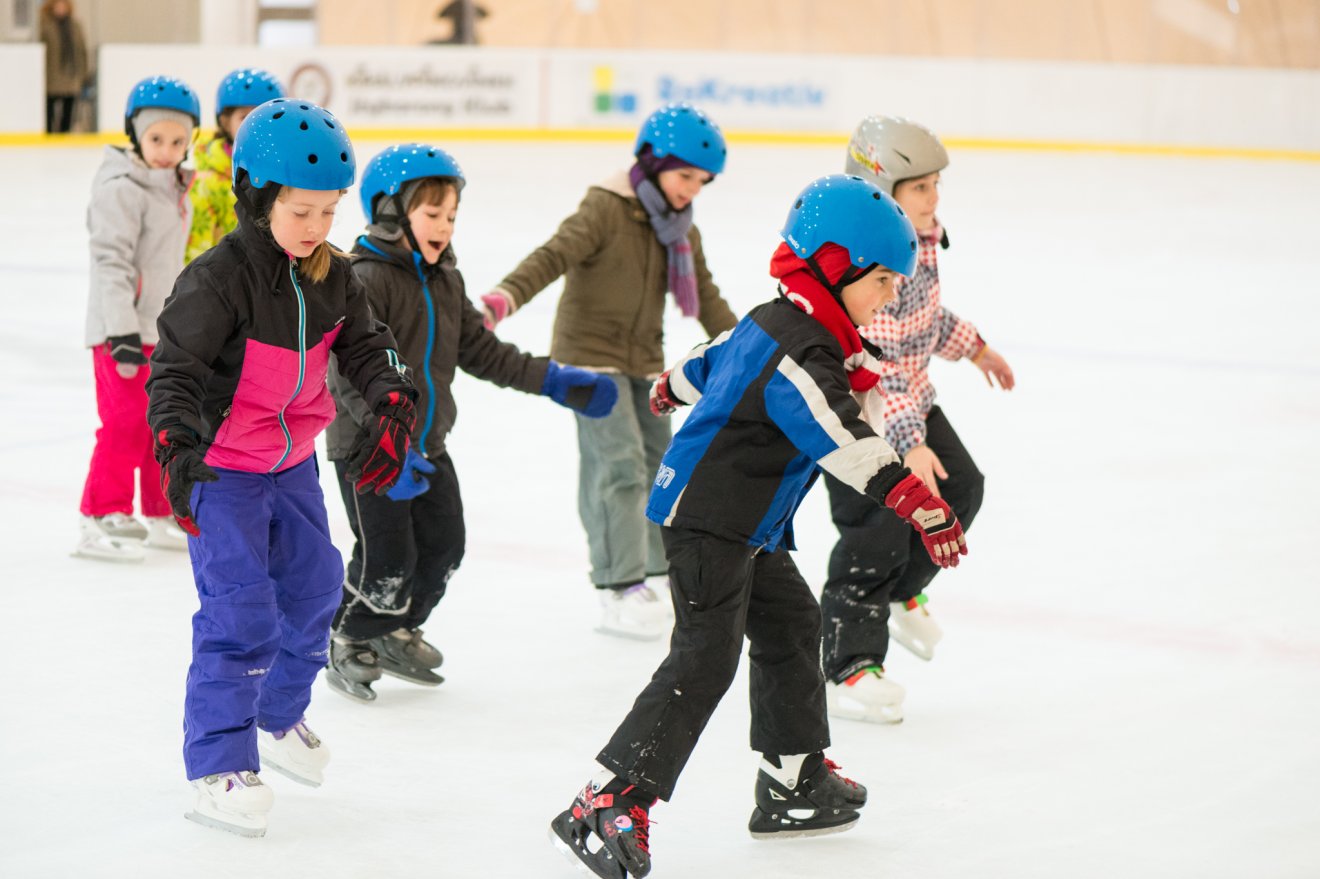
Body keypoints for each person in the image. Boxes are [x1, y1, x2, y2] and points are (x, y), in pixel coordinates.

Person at [550, 174, 967, 879]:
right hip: (709, 521)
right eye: (882, 281)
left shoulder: (781, 323)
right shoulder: (802, 353)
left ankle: (792, 778)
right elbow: (839, 435)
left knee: (792, 624)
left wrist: (673, 384)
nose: (891, 295)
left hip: (746, 526)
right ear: (834, 267)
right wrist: (913, 499)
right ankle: (609, 798)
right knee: (704, 659)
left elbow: (715, 355)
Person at [145, 99, 416, 838]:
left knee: (318, 586)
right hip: (222, 470)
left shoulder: (333, 275)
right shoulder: (217, 280)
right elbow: (175, 369)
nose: (317, 226)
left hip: (292, 463)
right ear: (258, 197)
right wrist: (174, 443)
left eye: (329, 210)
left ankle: (276, 714)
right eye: (301, 211)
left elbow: (367, 343)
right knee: (240, 612)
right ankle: (218, 764)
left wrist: (393, 397)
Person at [323, 143, 618, 701]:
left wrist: (553, 380)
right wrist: (386, 438)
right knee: (387, 560)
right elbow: (345, 373)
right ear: (390, 211)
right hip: (370, 444)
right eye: (432, 213)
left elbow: (481, 351)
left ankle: (394, 629)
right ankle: (348, 634)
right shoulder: (364, 279)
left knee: (444, 547)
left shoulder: (444, 280)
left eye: (452, 215)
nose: (444, 226)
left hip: (427, 441)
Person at [484, 102, 738, 640]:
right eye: (685, 176)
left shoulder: (680, 230)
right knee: (618, 466)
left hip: (644, 359)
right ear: (653, 162)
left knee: (662, 466)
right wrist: (504, 298)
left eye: (701, 181)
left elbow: (708, 297)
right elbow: (552, 256)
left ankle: (656, 572)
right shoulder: (605, 207)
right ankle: (617, 585)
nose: (692, 190)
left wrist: (749, 349)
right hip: (588, 359)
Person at [821, 116, 1016, 725]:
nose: (934, 199)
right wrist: (910, 443)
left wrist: (974, 347)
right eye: (921, 187)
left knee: (961, 487)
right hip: (860, 415)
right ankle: (848, 664)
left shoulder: (919, 239)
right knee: (876, 529)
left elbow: (924, 320)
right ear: (882, 190)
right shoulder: (868, 259)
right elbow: (879, 364)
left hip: (911, 401)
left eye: (935, 185)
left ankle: (903, 590)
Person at [75, 75, 199, 562]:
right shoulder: (121, 189)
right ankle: (99, 514)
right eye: (156, 139)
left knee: (162, 423)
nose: (167, 151)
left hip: (160, 330)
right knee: (125, 422)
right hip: (121, 330)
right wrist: (121, 329)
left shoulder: (175, 188)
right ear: (135, 135)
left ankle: (160, 509)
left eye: (177, 141)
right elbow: (111, 262)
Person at [186, 68, 285, 263]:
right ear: (225, 122)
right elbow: (196, 254)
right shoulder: (205, 184)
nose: (255, 127)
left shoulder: (284, 175)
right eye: (244, 117)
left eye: (264, 117)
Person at [39, 0, 90, 133]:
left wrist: (84, 73)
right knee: (50, 106)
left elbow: (82, 50)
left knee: (69, 107)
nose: (61, 8)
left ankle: (64, 133)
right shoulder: (45, 26)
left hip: (71, 74)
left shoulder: (75, 26)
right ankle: (49, 133)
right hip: (52, 74)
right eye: (58, 5)